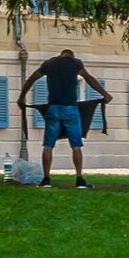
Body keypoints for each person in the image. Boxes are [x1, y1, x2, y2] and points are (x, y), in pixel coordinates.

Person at [24, 48, 98, 189]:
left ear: (61, 54)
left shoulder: (49, 64)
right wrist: (104, 94)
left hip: (53, 108)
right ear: (71, 55)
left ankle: (46, 179)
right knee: (76, 145)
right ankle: (79, 179)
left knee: (48, 145)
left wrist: (21, 97)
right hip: (70, 108)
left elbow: (30, 80)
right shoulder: (76, 63)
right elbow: (89, 79)